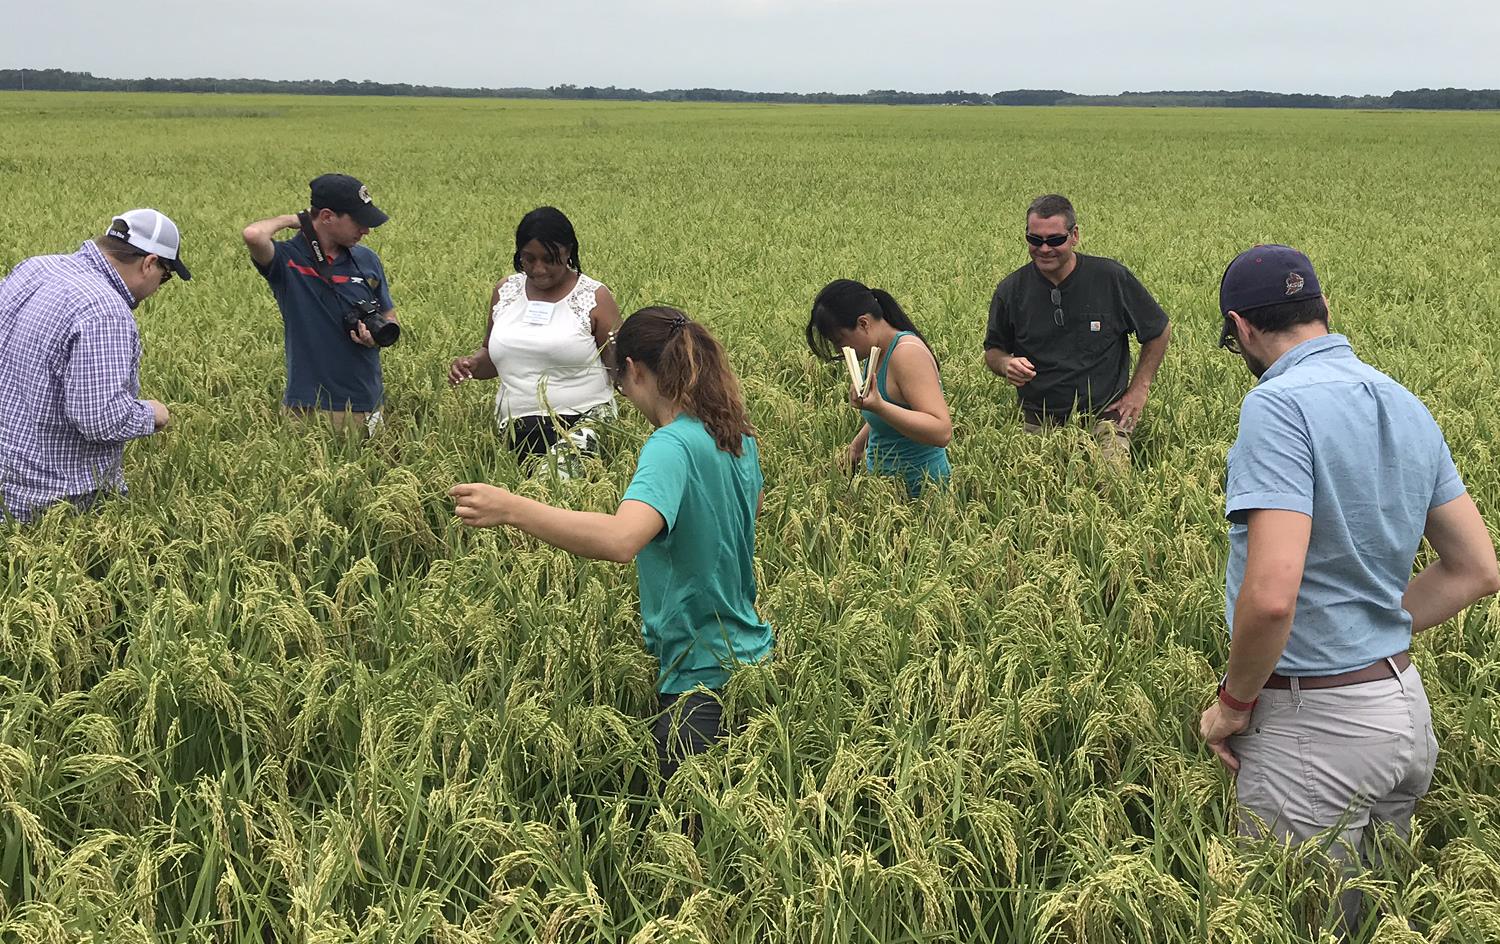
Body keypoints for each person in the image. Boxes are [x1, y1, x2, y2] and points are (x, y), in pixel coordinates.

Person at [1197, 245, 1499, 935]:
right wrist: (1370, 630)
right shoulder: (1402, 400)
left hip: (1316, 729)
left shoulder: (1276, 407)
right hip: (1402, 714)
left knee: (1291, 920)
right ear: (1324, 310)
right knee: (1372, 920)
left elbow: (1273, 594)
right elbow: (1477, 569)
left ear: (1241, 329)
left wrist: (1232, 703)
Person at [450, 307, 773, 775]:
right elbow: (748, 511)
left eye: (619, 380)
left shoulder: (671, 445)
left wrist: (512, 509)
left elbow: (622, 540)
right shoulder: (736, 436)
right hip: (751, 654)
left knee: (689, 826)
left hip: (699, 675)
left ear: (634, 371)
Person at [0, 209, 187, 522]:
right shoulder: (104, 312)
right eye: (164, 278)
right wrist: (152, 414)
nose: (158, 287)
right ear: (150, 263)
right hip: (53, 505)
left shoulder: (35, 267)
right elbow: (99, 420)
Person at [983, 194, 1171, 463]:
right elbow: (993, 350)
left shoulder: (1110, 278)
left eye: (1055, 240)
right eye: (1035, 240)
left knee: (1111, 489)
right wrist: (1005, 364)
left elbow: (1158, 329)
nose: (1044, 248)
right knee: (1033, 493)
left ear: (1074, 236)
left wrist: (1139, 388)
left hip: (1105, 418)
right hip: (1040, 421)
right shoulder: (1011, 290)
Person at [447, 207, 620, 470]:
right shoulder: (506, 291)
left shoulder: (594, 297)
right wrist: (470, 365)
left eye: (549, 259)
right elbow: (491, 358)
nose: (538, 269)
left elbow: (619, 366)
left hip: (583, 421)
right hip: (516, 427)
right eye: (528, 259)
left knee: (552, 483)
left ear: (568, 251)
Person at [242, 174, 398, 435]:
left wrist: (376, 336)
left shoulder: (367, 259)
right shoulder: (288, 261)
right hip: (308, 406)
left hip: (367, 400)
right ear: (326, 217)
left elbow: (389, 315)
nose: (366, 230)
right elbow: (253, 234)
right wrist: (298, 219)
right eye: (358, 221)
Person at [806, 279, 952, 497]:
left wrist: (880, 407)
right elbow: (890, 410)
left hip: (920, 494)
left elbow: (941, 431)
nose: (840, 350)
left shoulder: (906, 354)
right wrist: (856, 448)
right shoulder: (875, 352)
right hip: (886, 491)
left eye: (840, 341)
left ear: (863, 323)